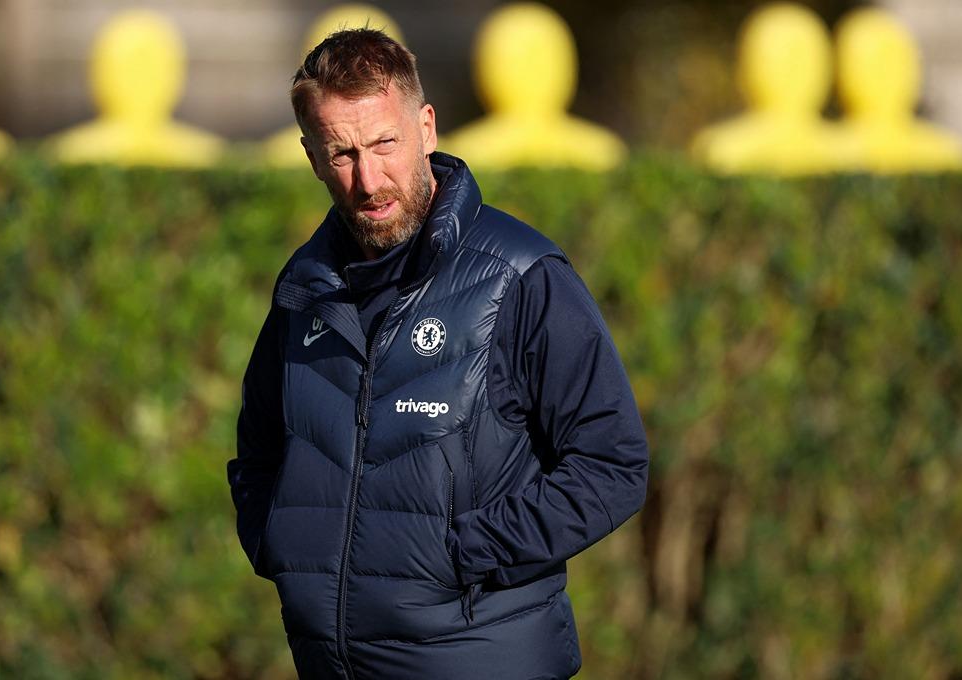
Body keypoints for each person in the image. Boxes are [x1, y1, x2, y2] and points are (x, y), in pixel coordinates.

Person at [228, 29, 648, 680]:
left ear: (426, 128)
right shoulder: (303, 293)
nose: (368, 179)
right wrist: (280, 542)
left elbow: (613, 465)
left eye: (384, 144)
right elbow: (258, 452)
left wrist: (464, 551)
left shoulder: (521, 276)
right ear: (311, 156)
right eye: (342, 153)